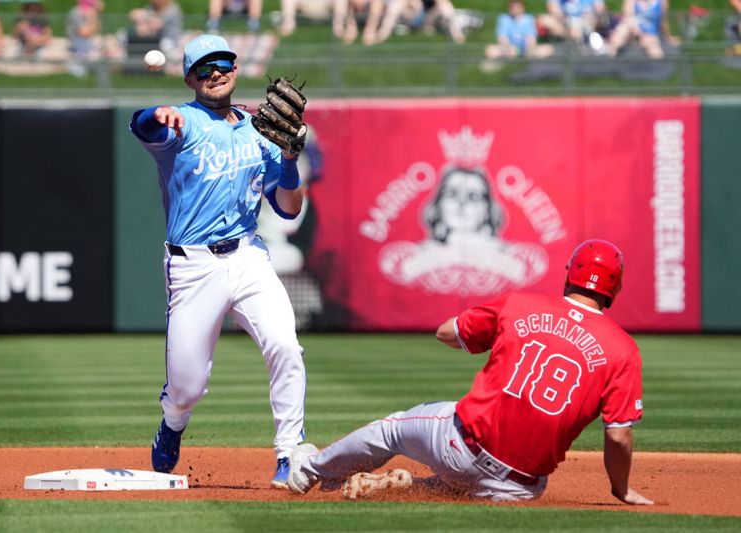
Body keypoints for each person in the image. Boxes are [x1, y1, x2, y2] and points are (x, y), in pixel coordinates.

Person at [286, 239, 654, 505]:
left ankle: (308, 472)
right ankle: (407, 486)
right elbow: (619, 436)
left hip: (460, 448)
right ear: (614, 288)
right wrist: (620, 490)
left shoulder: (522, 305)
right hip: (519, 488)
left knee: (394, 429)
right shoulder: (623, 350)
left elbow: (448, 332)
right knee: (468, 488)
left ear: (570, 274)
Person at [128, 34, 308, 489]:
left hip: (248, 256)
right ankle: (172, 423)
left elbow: (288, 208)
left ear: (234, 69)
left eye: (222, 64)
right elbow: (141, 126)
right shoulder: (180, 124)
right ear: (190, 78)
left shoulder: (259, 130)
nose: (215, 73)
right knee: (187, 388)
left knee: (285, 345)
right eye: (203, 68)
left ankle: (290, 453)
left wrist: (288, 160)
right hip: (193, 266)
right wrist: (156, 114)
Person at [484, 0, 555, 64]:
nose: (515, 9)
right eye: (513, 7)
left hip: (526, 49)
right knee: (490, 50)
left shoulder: (529, 19)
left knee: (549, 49)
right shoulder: (504, 19)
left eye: (517, 6)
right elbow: (502, 39)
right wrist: (508, 48)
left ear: (522, 7)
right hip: (509, 49)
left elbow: (531, 39)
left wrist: (528, 49)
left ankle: (530, 62)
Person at [605, 0, 679, 59]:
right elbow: (627, 17)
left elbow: (663, 21)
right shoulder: (631, 1)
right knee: (623, 29)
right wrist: (638, 32)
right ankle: (609, 55)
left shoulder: (661, 2)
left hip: (650, 33)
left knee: (654, 50)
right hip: (633, 30)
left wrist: (668, 38)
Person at [537, 0, 608, 46]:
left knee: (601, 19)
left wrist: (593, 17)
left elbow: (601, 11)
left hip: (587, 23)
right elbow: (554, 12)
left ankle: (579, 40)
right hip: (566, 24)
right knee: (544, 19)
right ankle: (576, 39)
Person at [65, 0, 103, 75]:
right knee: (96, 55)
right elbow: (84, 33)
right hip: (78, 43)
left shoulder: (91, 13)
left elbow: (97, 29)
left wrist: (94, 17)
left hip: (88, 41)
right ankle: (78, 64)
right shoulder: (76, 13)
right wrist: (93, 19)